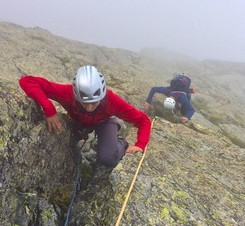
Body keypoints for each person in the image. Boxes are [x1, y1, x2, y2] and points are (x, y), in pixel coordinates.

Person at [19, 65, 151, 167]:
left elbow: (143, 120)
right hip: (78, 122)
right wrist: (49, 108)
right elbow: (27, 81)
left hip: (105, 122)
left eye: (93, 103)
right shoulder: (68, 93)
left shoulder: (112, 101)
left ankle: (122, 143)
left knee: (107, 158)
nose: (89, 108)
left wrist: (140, 144)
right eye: (84, 103)